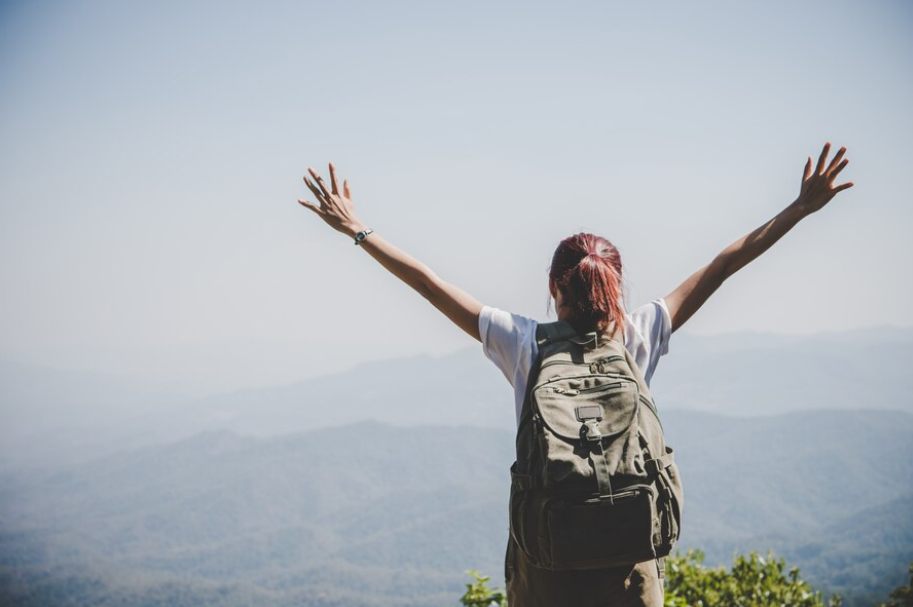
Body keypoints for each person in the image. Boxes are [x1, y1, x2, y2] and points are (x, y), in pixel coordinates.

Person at [296, 142, 853, 606]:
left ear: (554, 286)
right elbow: (724, 264)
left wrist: (359, 230)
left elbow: (427, 282)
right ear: (616, 284)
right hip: (630, 571)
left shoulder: (521, 342)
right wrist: (799, 208)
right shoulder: (639, 335)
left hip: (549, 567)